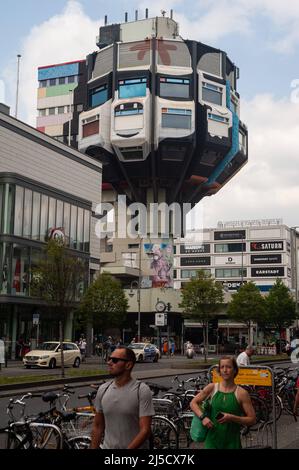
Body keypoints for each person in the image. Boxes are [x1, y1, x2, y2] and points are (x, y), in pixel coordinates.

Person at [90, 346, 154, 449]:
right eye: (109, 359)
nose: (109, 362)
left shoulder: (141, 390)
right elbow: (97, 426)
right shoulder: (103, 389)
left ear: (128, 365)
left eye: (114, 360)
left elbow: (145, 430)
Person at [190, 356, 256, 449]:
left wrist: (232, 417)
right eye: (222, 367)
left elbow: (252, 419)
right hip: (212, 442)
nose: (225, 370)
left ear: (235, 370)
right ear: (219, 371)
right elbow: (193, 403)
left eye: (229, 367)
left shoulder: (242, 393)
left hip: (232, 443)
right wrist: (203, 417)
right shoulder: (212, 388)